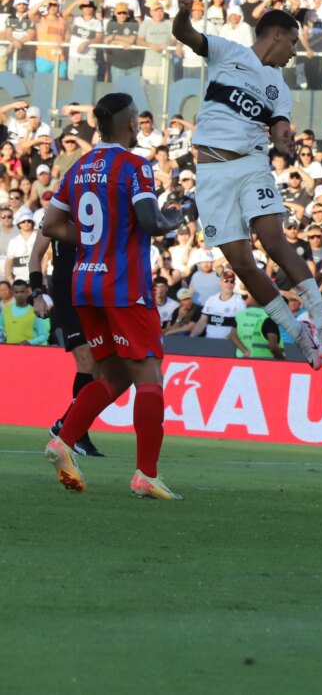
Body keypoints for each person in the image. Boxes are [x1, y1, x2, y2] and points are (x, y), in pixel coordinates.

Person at [170, 0, 322, 369]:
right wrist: (183, 12)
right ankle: (299, 334)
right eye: (293, 42)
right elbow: (185, 34)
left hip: (251, 165)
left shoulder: (280, 87)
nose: (294, 52)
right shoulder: (228, 52)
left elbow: (279, 125)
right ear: (276, 35)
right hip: (211, 172)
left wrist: (282, 137)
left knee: (274, 240)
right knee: (242, 263)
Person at [39, 93, 184, 499]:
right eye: (136, 120)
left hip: (84, 283)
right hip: (124, 287)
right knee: (150, 377)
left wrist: (91, 240)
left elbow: (51, 224)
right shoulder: (136, 166)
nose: (138, 127)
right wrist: (177, 216)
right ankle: (146, 475)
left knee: (113, 376)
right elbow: (151, 221)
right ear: (128, 123)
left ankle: (63, 440)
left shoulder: (79, 166)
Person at [29, 223, 103, 456]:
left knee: (101, 367)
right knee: (86, 361)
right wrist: (37, 294)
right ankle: (76, 433)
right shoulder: (56, 213)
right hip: (65, 290)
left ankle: (66, 424)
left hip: (93, 290)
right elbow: (36, 255)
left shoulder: (97, 207)